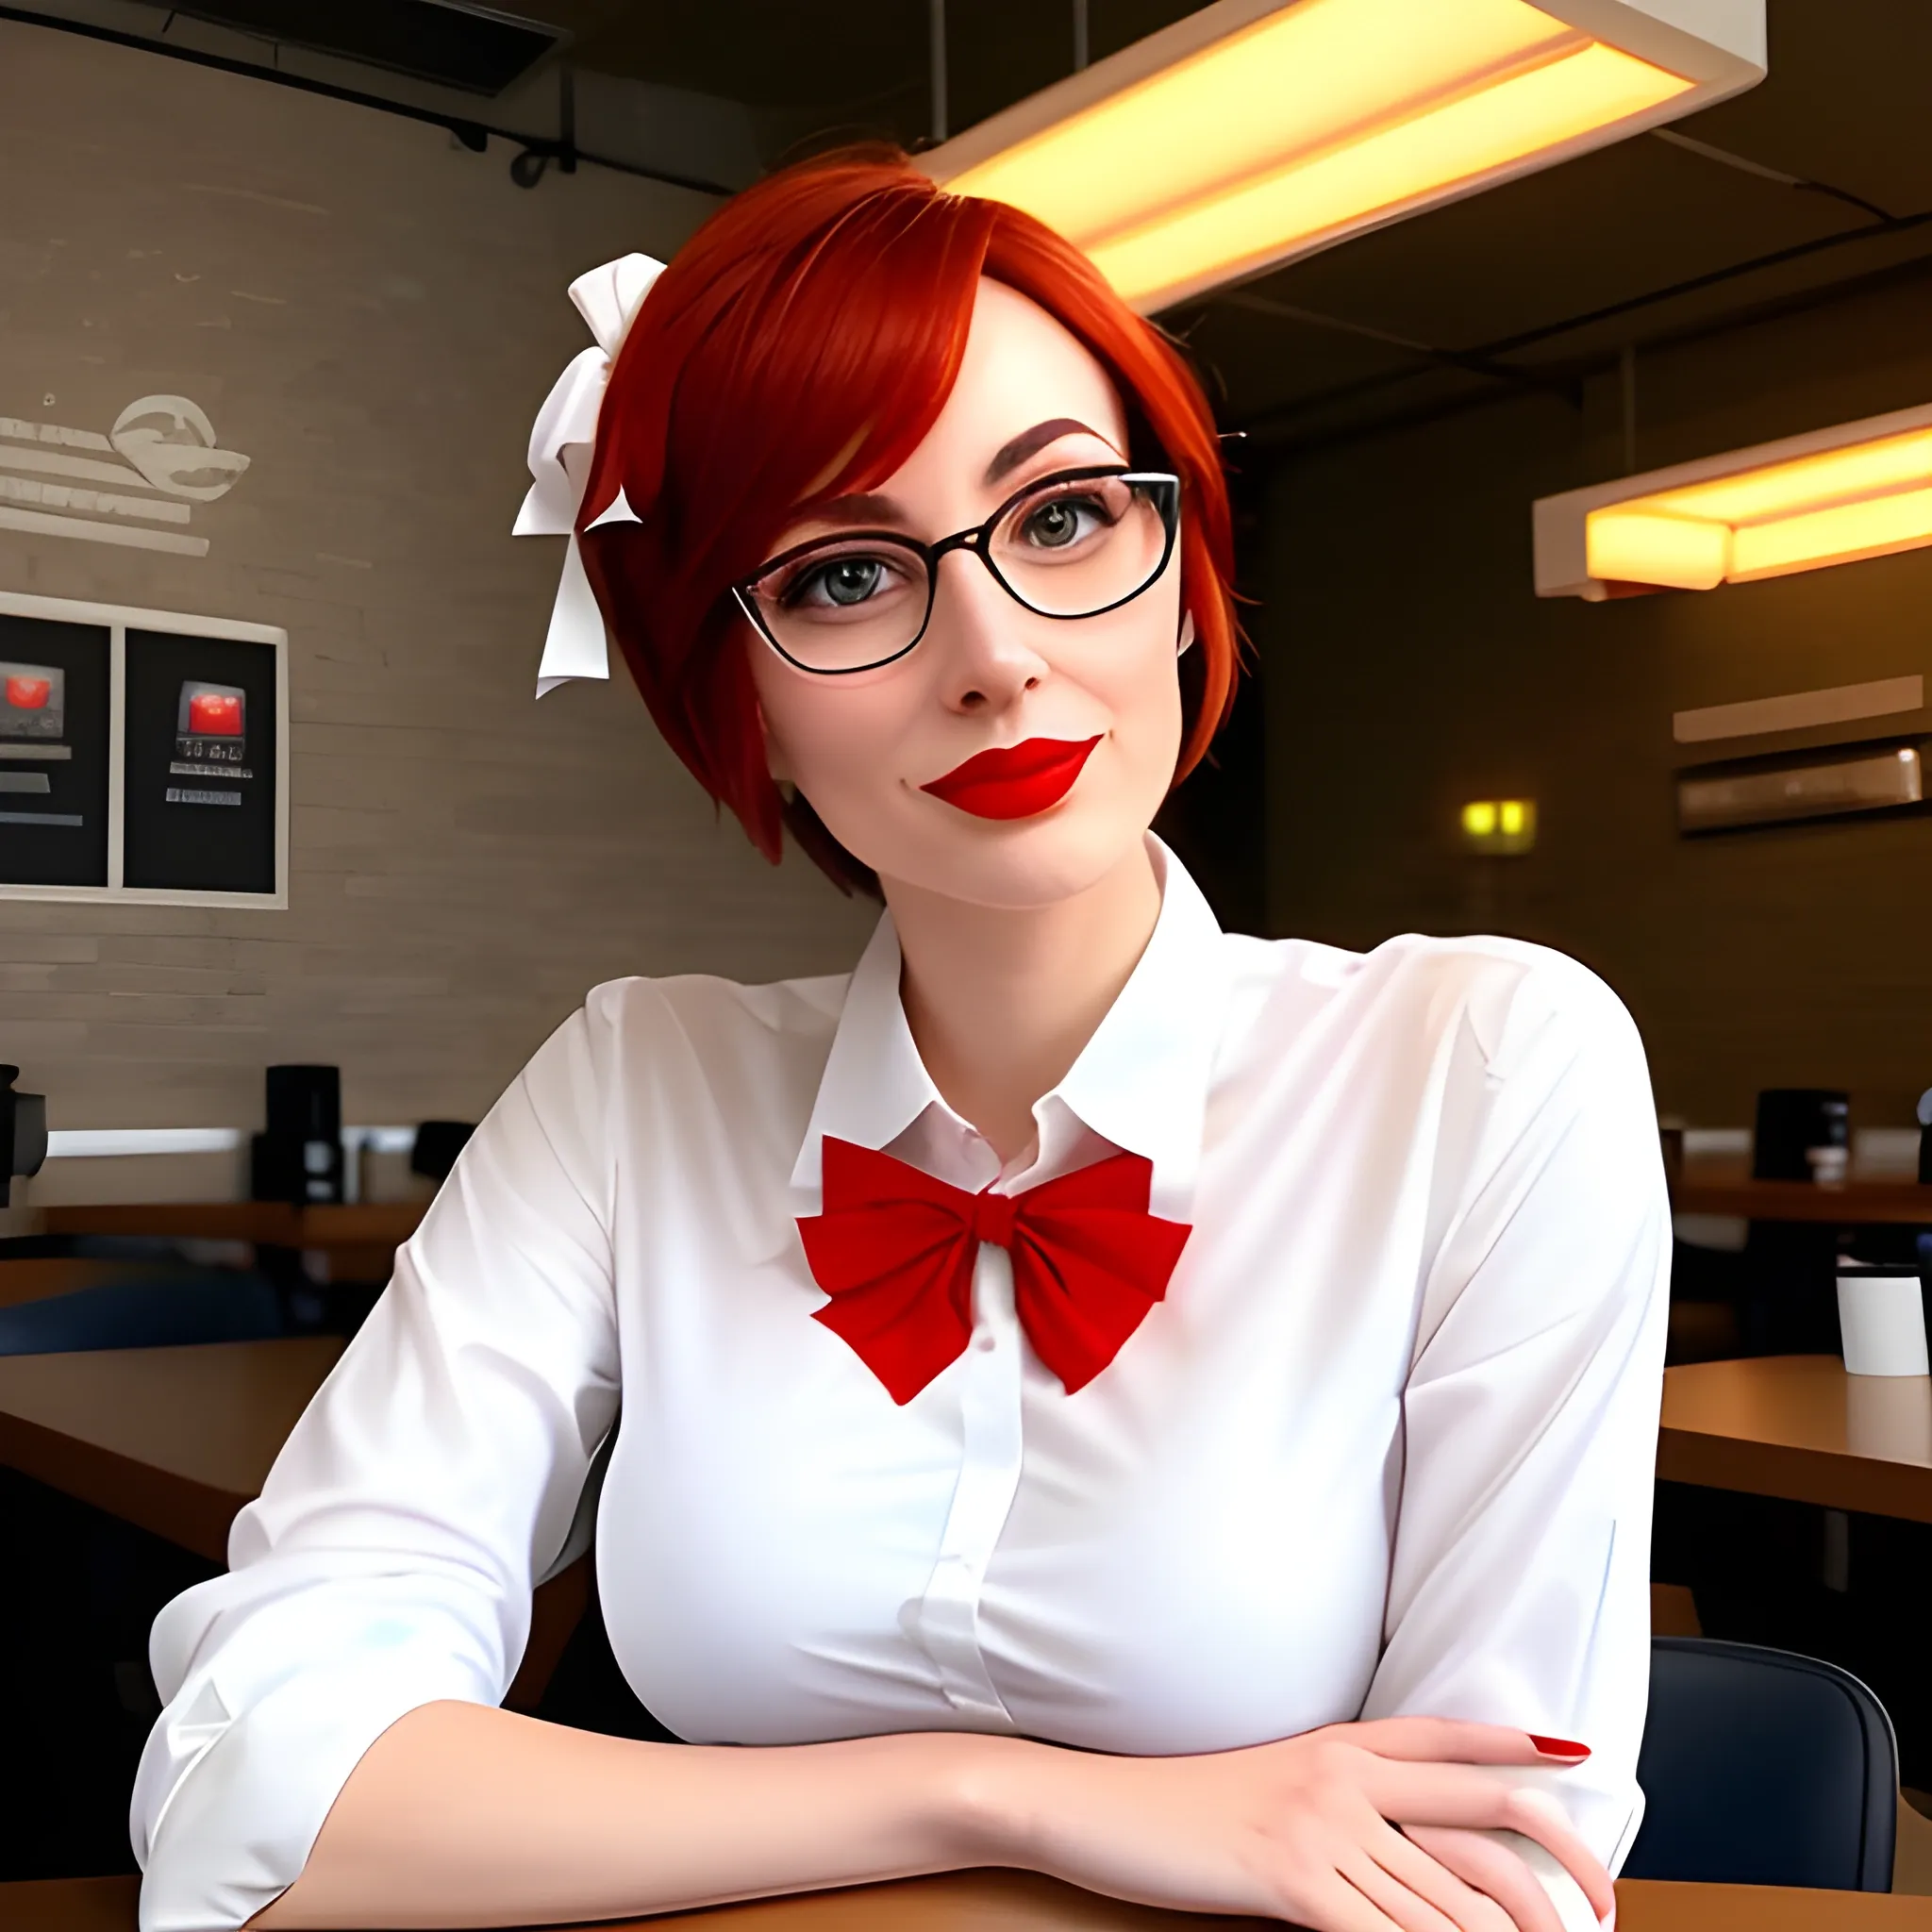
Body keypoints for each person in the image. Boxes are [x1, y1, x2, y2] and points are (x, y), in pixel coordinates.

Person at [133, 150, 1668, 1932]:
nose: (996, 656)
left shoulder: (1485, 1061)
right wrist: (1010, 1800)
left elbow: (1495, 1870)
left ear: (1181, 582)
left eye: (1065, 519)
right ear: (744, 700)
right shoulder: (638, 1084)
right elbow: (257, 1790)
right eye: (849, 574)